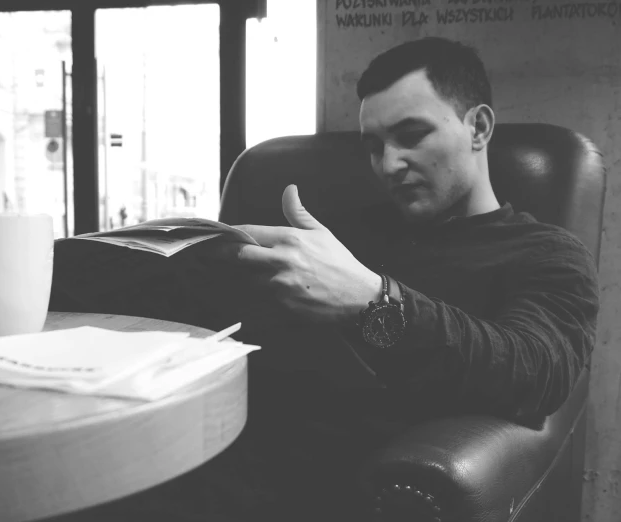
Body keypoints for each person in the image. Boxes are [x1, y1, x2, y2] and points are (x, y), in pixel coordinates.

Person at [64, 37, 599, 521]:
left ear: (478, 128)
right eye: (374, 145)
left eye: (412, 135)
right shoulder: (344, 233)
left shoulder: (547, 255)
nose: (390, 164)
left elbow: (534, 373)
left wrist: (371, 303)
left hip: (325, 494)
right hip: (203, 451)